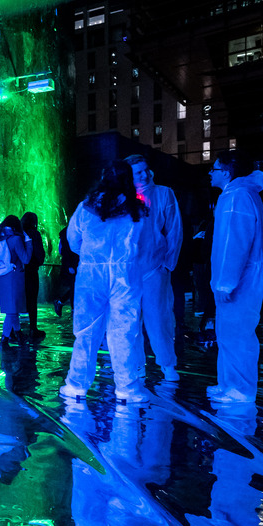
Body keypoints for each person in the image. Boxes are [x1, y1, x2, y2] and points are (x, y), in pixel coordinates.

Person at [60, 160, 149, 402]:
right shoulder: (137, 210)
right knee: (124, 332)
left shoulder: (86, 207)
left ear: (103, 178)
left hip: (91, 276)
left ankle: (76, 386)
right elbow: (145, 246)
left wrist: (90, 256)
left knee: (86, 331)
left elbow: (73, 240)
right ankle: (127, 389)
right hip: (125, 277)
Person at [208, 150, 263, 403]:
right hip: (241, 278)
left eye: (214, 169)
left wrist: (226, 282)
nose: (210, 173)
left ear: (226, 172)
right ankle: (228, 384)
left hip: (241, 281)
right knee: (228, 332)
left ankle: (240, 389)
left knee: (237, 334)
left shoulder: (237, 197)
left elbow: (235, 243)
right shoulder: (237, 195)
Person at [124, 154, 183, 382]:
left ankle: (167, 364)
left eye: (145, 169)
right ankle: (136, 365)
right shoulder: (123, 197)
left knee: (159, 318)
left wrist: (168, 263)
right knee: (130, 320)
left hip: (154, 267)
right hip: (128, 270)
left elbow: (174, 229)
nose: (144, 175)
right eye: (137, 172)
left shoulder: (164, 193)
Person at [0, 215, 33, 349]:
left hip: (1, 277)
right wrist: (28, 241)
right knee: (12, 311)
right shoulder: (15, 239)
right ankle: (4, 339)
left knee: (12, 309)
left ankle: (19, 334)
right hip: (14, 277)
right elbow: (26, 259)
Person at [21, 212, 46, 340]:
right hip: (31, 271)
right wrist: (38, 261)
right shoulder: (34, 234)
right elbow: (39, 253)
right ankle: (33, 329)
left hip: (19, 272)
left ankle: (16, 329)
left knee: (19, 299)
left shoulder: (18, 233)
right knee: (32, 300)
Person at [53, 226, 79, 317]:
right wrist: (69, 265)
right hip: (73, 264)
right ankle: (72, 308)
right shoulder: (70, 232)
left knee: (75, 286)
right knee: (74, 286)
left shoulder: (66, 232)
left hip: (73, 264)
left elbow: (62, 250)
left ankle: (61, 302)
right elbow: (65, 250)